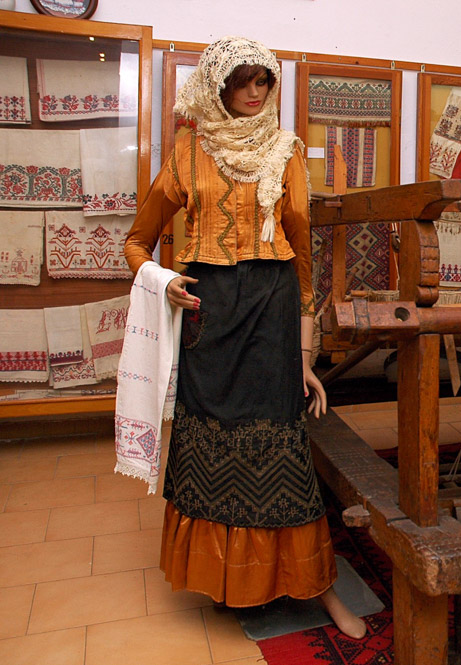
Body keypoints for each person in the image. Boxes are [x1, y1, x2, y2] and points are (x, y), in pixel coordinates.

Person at [123, 36, 366, 639]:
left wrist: (306, 357)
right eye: (242, 81)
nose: (255, 93)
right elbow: (136, 242)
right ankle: (232, 579)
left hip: (271, 309)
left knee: (281, 445)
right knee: (211, 444)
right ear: (217, 86)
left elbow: (303, 260)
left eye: (264, 81)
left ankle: (319, 585)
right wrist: (163, 280)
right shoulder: (185, 151)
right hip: (208, 312)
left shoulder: (286, 152)